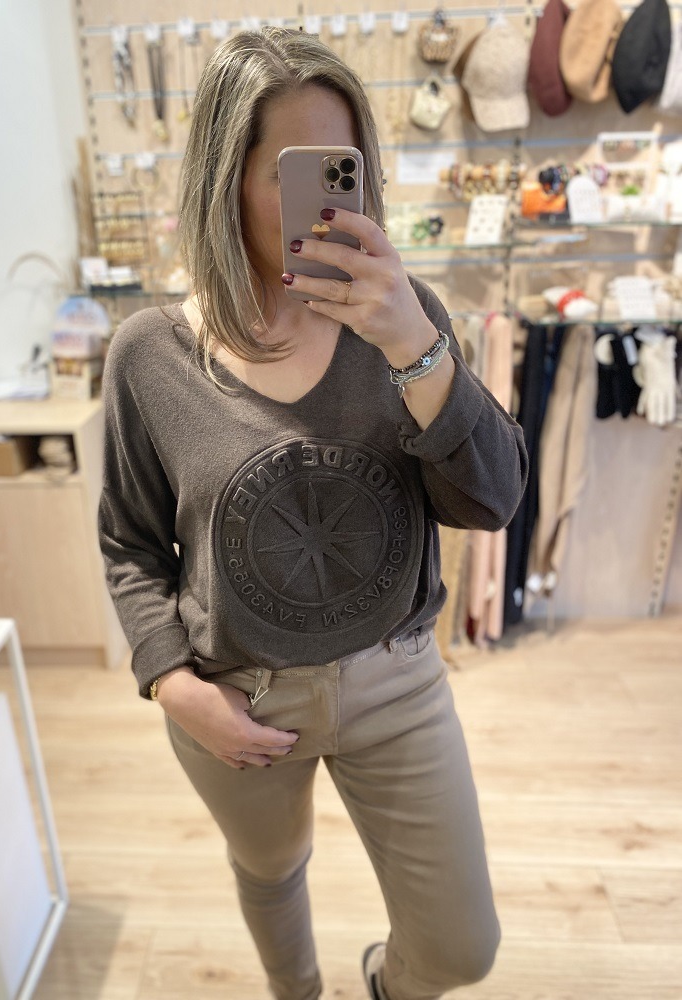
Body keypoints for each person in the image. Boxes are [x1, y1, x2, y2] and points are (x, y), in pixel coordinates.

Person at [98, 26, 528, 1000]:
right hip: (239, 699)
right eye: (297, 173)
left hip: (396, 681)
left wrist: (415, 347)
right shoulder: (150, 356)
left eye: (346, 167)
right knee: (271, 869)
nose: (331, 202)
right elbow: (128, 541)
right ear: (226, 181)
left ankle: (382, 985)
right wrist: (170, 681)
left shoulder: (404, 319)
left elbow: (494, 497)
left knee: (461, 948)